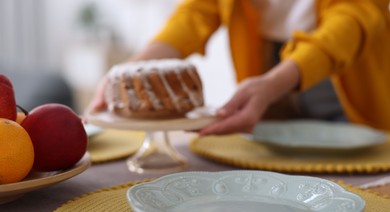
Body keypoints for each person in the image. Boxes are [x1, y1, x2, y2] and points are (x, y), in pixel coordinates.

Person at [86, 0, 390, 136]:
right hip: (267, 77)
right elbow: (196, 13)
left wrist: (274, 82)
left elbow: (354, 20)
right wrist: (132, 68)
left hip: (347, 87)